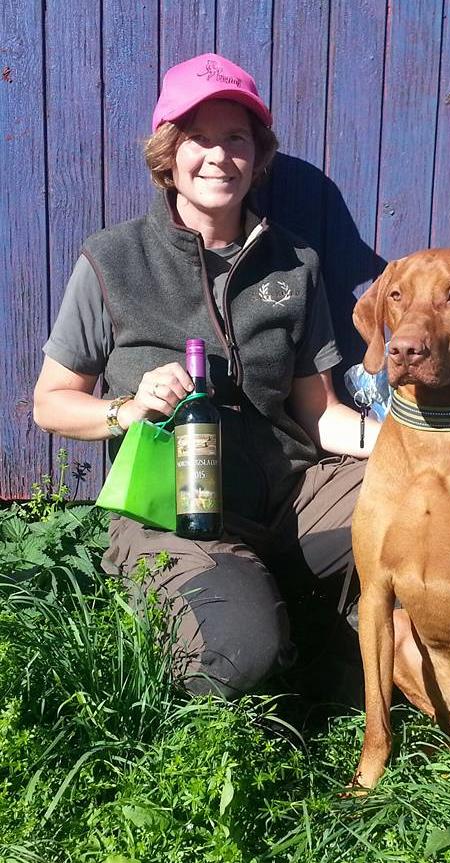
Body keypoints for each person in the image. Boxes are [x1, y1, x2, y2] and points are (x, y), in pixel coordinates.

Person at [33, 52, 380, 699]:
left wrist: (409, 442)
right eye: (199, 137)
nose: (219, 156)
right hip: (171, 516)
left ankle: (350, 670)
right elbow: (50, 403)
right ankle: (237, 656)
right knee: (238, 651)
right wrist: (126, 408)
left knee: (414, 495)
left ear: (258, 154)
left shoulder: (293, 264)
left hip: (290, 500)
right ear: (168, 151)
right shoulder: (113, 259)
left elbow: (319, 413)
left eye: (237, 138)